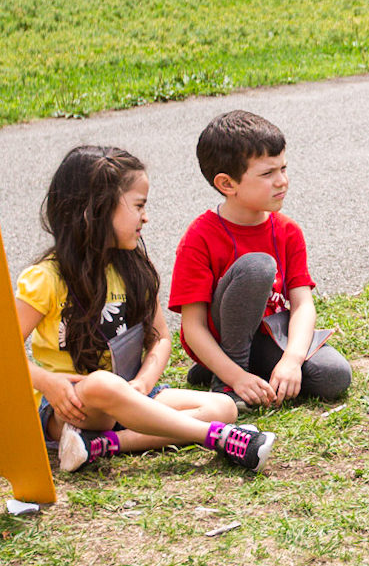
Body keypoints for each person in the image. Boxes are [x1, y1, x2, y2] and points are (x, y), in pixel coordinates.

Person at [16, 146, 274, 473]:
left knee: (224, 407)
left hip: (130, 393)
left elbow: (160, 338)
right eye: (138, 206)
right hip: (72, 408)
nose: (146, 216)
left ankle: (100, 444)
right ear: (95, 210)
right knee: (101, 384)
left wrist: (142, 383)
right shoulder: (46, 278)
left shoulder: (135, 268)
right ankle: (216, 438)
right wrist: (48, 383)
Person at [170, 111, 352, 408]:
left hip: (269, 335)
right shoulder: (199, 237)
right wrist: (236, 377)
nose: (282, 181)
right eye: (268, 174)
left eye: (283, 168)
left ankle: (223, 368)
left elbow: (302, 304)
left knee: (334, 376)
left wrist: (292, 360)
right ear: (227, 184)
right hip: (222, 339)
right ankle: (227, 377)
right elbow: (193, 328)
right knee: (258, 266)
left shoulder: (288, 231)